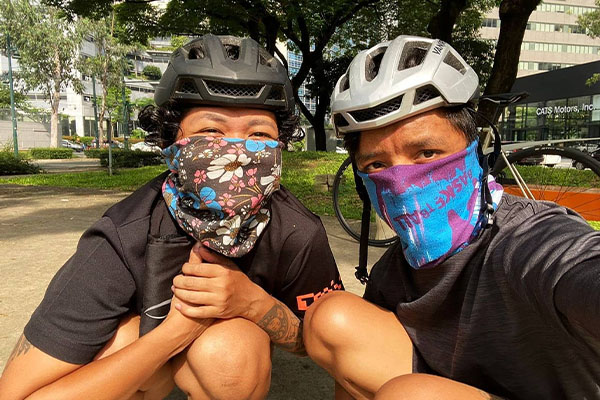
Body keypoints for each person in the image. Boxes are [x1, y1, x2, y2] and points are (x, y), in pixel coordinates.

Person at [0, 34, 342, 400]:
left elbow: (317, 342)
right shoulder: (124, 235)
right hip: (145, 355)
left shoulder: (296, 231)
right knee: (122, 344)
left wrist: (253, 304)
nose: (237, 152)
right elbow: (16, 394)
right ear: (170, 141)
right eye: (211, 131)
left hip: (222, 353)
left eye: (259, 134)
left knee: (233, 350)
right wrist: (173, 333)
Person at [303, 35, 600, 399]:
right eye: (377, 165)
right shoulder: (392, 274)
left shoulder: (530, 239)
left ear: (476, 151)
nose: (402, 183)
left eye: (426, 152)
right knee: (331, 320)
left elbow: (579, 267)